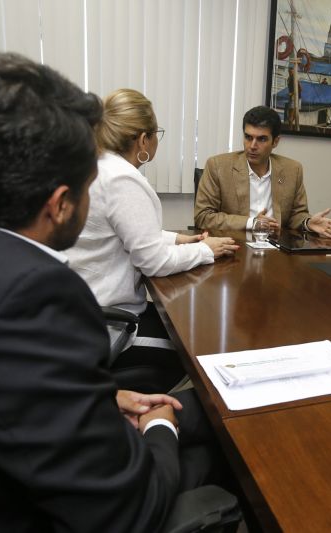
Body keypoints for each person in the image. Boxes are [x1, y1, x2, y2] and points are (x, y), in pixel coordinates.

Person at [0, 51, 198, 531]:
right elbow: (127, 510)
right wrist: (161, 423)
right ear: (60, 205)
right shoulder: (34, 299)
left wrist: (93, 397)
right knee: (219, 448)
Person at [66, 88, 238, 391]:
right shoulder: (123, 179)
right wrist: (205, 250)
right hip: (109, 323)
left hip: (80, 309)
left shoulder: (95, 167)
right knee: (197, 346)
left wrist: (179, 239)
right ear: (143, 140)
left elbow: (124, 231)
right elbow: (154, 263)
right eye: (156, 132)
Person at [194, 105, 331, 237]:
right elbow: (203, 217)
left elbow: (296, 214)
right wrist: (252, 223)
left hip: (276, 248)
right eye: (248, 137)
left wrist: (307, 223)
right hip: (234, 245)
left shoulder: (292, 169)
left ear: (276, 141)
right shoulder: (218, 166)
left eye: (262, 139)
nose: (252, 145)